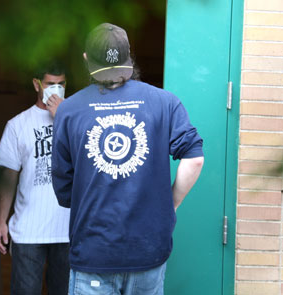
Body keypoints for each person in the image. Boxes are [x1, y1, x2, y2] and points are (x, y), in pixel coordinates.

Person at [51, 23, 204, 295]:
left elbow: (63, 186)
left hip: (93, 252)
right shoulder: (165, 102)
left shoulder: (69, 110)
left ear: (87, 60)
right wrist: (171, 206)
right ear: (128, 56)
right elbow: (194, 159)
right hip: (147, 251)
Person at [0, 62, 70, 295]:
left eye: (61, 84)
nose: (56, 89)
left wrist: (65, 118)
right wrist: (1, 221)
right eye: (50, 84)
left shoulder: (77, 121)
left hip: (68, 230)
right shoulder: (18, 125)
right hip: (28, 231)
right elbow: (9, 177)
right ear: (36, 84)